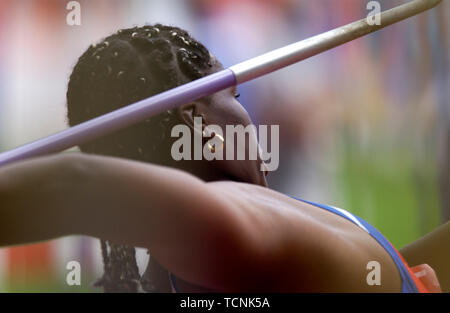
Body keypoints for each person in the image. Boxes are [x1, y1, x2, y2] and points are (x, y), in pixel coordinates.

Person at [0, 24, 447, 293]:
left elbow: (385, 275)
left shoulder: (224, 242)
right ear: (196, 117)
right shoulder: (227, 225)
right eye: (233, 95)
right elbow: (72, 182)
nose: (248, 117)